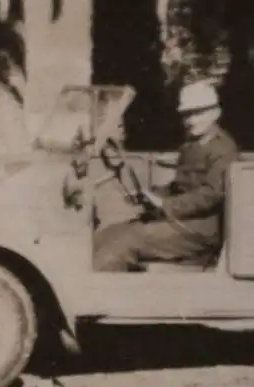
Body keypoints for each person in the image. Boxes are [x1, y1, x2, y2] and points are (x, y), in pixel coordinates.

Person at [93, 80, 239, 272]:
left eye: (198, 113)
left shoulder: (223, 149)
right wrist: (151, 194)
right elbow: (181, 186)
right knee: (107, 235)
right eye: (187, 115)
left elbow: (210, 196)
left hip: (198, 232)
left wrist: (164, 204)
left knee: (124, 243)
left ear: (215, 113)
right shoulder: (191, 145)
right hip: (181, 220)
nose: (191, 120)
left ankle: (103, 299)